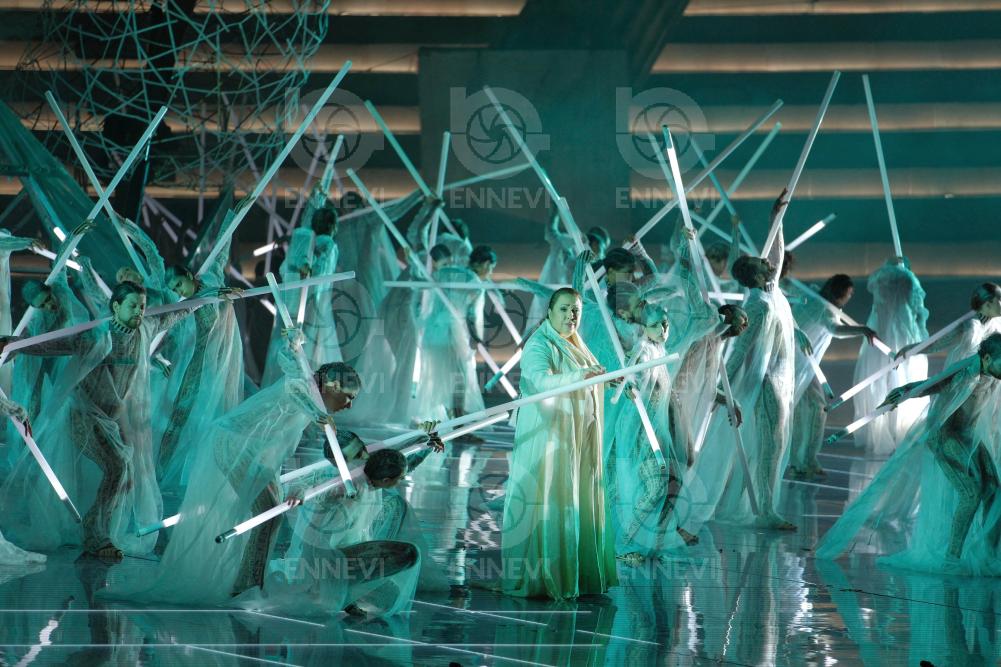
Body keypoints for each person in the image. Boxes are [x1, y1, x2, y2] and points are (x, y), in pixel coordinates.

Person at [101, 342, 362, 604]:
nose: (350, 405)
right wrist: (316, 411)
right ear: (332, 387)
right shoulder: (301, 384)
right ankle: (247, 584)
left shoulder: (310, 391)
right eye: (349, 397)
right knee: (267, 512)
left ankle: (248, 581)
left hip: (257, 452)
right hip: (235, 444)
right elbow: (294, 383)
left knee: (271, 514)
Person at [3, 279, 204, 559]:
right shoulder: (96, 336)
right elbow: (53, 344)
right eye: (133, 306)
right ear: (116, 306)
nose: (139, 311)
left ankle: (96, 528)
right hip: (83, 414)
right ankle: (96, 534)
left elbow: (175, 314)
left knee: (122, 472)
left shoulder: (145, 329)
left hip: (112, 419)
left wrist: (207, 297)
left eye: (142, 306)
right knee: (118, 466)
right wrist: (14, 343)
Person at [817, 333, 1001, 575]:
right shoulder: (967, 371)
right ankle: (952, 558)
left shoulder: (992, 373)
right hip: (946, 435)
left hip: (968, 434)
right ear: (986, 358)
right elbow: (933, 384)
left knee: (994, 490)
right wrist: (903, 392)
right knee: (971, 493)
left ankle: (989, 553)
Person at [677, 190, 804, 534]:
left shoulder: (771, 293)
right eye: (764, 266)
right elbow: (739, 353)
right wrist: (723, 393)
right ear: (756, 276)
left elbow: (776, 254)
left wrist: (776, 220)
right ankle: (765, 509)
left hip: (779, 380)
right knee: (769, 446)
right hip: (767, 383)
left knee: (775, 444)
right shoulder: (758, 306)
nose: (771, 265)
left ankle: (766, 506)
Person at [501, 287, 617, 599]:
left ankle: (578, 573)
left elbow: (587, 375)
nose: (570, 316)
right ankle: (549, 573)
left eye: (575, 310)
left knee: (577, 496)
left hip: (576, 437)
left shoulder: (575, 342)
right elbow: (541, 382)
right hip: (551, 439)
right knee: (554, 497)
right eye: (564, 309)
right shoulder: (539, 345)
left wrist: (605, 380)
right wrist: (582, 376)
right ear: (550, 312)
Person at [788, 274, 877, 478]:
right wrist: (863, 330)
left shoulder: (810, 294)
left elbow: (789, 287)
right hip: (800, 365)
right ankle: (805, 460)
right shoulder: (824, 310)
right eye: (849, 294)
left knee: (807, 410)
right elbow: (836, 329)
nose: (850, 297)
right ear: (840, 293)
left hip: (800, 363)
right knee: (815, 409)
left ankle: (801, 460)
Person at [852, 257, 930, 456]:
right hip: (904, 334)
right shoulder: (909, 281)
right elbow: (919, 312)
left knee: (881, 383)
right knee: (903, 379)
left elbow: (880, 308)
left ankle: (886, 431)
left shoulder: (881, 282)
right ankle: (902, 432)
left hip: (882, 333)